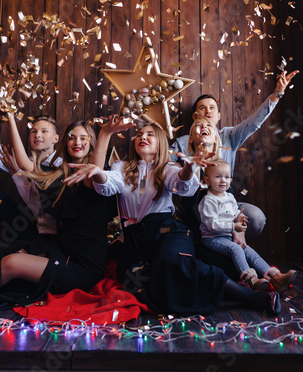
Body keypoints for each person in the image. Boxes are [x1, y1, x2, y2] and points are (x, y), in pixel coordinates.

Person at [66, 122, 281, 316]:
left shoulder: (167, 167)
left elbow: (181, 183)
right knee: (141, 282)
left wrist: (189, 166)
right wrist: (97, 172)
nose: (143, 137)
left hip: (168, 233)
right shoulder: (121, 168)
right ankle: (225, 292)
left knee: (173, 263)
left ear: (159, 143)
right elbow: (107, 184)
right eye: (140, 134)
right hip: (136, 243)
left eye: (150, 134)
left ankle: (253, 298)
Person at [0, 120, 117, 313]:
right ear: (65, 142)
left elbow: (95, 171)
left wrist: (106, 132)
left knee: (12, 263)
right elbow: (24, 165)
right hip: (62, 252)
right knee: (4, 254)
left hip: (83, 267)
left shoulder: (94, 177)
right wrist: (12, 117)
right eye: (72, 137)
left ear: (91, 143)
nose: (77, 142)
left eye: (84, 138)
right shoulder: (58, 176)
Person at [170, 69, 299, 239]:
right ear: (195, 116)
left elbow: (254, 123)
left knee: (257, 218)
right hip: (193, 206)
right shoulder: (181, 142)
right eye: (203, 108)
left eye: (212, 108)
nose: (208, 111)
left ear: (218, 116)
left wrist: (277, 93)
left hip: (224, 203)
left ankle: (235, 243)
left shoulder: (229, 136)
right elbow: (165, 169)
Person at [0, 109, 62, 255]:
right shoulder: (24, 161)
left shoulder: (59, 166)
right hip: (28, 222)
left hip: (48, 234)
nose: (37, 135)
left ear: (55, 139)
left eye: (44, 131)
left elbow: (38, 206)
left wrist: (17, 174)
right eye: (33, 131)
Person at [198, 159, 297, 293]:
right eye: (217, 176)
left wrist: (239, 217)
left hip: (227, 236)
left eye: (226, 177)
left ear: (230, 180)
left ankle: (276, 278)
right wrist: (234, 227)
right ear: (207, 180)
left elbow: (233, 213)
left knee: (250, 252)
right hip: (212, 238)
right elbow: (211, 225)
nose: (223, 180)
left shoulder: (229, 197)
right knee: (236, 249)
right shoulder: (208, 200)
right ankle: (251, 279)